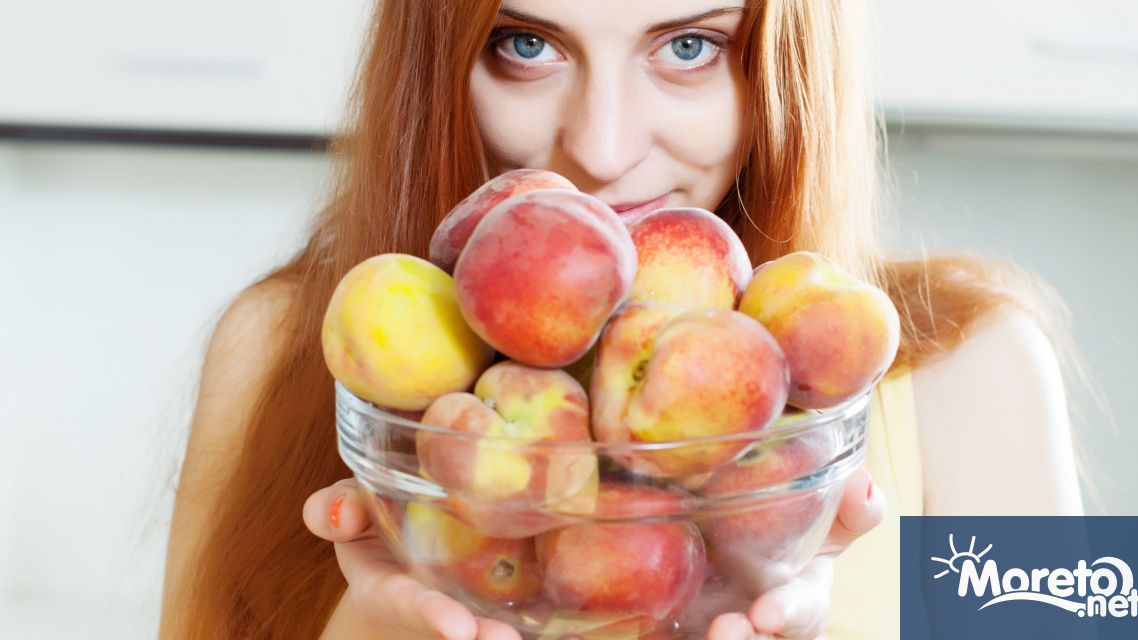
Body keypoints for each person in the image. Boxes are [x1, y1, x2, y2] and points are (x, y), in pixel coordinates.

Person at [158, 1, 1088, 639]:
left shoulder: (988, 363)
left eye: (688, 46)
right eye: (526, 44)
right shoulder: (276, 343)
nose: (602, 151)